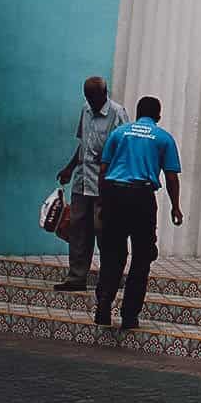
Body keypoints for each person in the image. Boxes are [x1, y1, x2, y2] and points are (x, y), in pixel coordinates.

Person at [94, 95, 182, 331]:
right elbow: (171, 177)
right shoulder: (163, 138)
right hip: (141, 198)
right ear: (158, 116)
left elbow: (103, 170)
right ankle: (129, 315)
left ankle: (103, 305)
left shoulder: (120, 133)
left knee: (113, 254)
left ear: (137, 112)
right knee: (142, 257)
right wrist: (176, 206)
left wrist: (102, 202)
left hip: (114, 194)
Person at [54, 75, 129, 292]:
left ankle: (111, 276)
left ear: (104, 95)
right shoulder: (85, 110)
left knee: (105, 232)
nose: (92, 103)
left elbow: (124, 148)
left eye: (95, 98)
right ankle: (76, 277)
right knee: (78, 231)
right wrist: (69, 168)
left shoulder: (117, 113)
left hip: (104, 184)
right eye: (88, 98)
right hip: (82, 181)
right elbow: (84, 144)